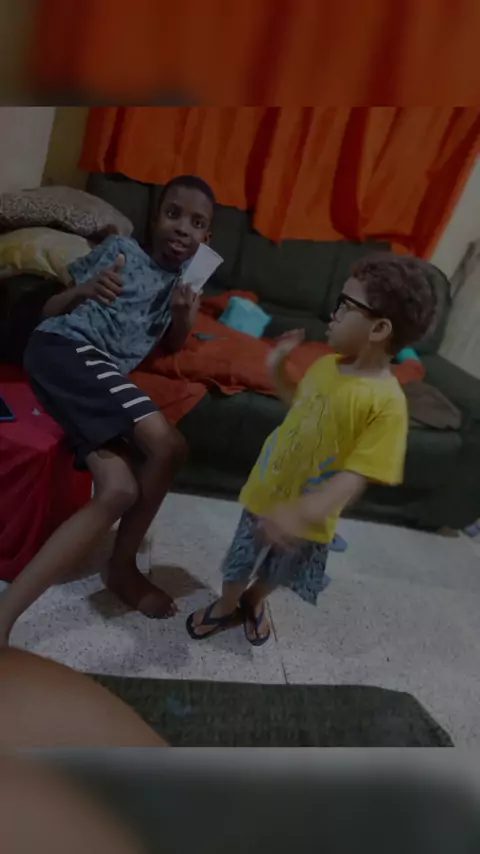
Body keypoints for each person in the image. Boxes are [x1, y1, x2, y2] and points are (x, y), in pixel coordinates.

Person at [0, 175, 215, 646]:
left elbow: (172, 344)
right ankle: (122, 566)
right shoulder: (121, 251)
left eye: (197, 223)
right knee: (168, 445)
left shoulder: (184, 287)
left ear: (206, 238)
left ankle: (3, 619)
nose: (183, 228)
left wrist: (184, 314)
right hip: (63, 347)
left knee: (118, 489)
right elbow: (48, 310)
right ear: (154, 219)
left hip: (93, 376)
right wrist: (84, 291)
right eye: (173, 214)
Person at [187, 254, 438, 645]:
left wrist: (300, 513)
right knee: (239, 560)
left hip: (308, 516)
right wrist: (277, 366)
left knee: (279, 571)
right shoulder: (326, 366)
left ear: (379, 328)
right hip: (267, 491)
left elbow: (355, 477)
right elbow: (298, 405)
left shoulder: (387, 404)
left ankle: (254, 601)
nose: (332, 315)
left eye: (344, 306)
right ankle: (226, 605)